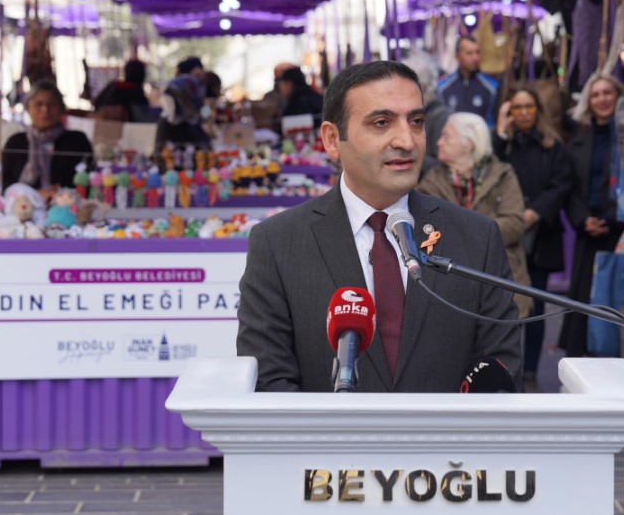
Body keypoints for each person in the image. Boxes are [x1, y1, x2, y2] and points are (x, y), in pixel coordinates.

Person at [236, 61, 522, 392]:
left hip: (445, 442)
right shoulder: (278, 243)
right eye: (381, 123)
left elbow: (500, 373)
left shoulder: (477, 238)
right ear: (332, 140)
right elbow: (270, 380)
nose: (407, 140)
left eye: (416, 122)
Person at [493, 83, 573, 389]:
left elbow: (561, 183)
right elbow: (490, 165)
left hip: (541, 234)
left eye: (528, 107)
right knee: (505, 303)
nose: (523, 113)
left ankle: (530, 375)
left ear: (537, 110)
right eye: (517, 107)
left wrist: (535, 212)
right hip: (509, 236)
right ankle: (505, 370)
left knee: (536, 306)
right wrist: (501, 129)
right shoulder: (504, 144)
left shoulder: (553, 145)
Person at [418, 112, 533, 323]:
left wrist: (464, 233)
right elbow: (428, 229)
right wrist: (482, 232)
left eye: (447, 137)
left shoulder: (502, 175)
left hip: (501, 282)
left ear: (469, 144)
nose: (438, 142)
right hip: (448, 288)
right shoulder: (431, 181)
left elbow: (515, 224)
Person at [559, 75, 624, 358]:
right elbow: (568, 188)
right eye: (596, 94)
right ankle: (577, 365)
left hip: (620, 231)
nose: (602, 99)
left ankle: (613, 359)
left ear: (618, 97)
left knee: (614, 298)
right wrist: (583, 219)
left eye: (607, 92)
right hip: (587, 230)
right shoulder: (578, 142)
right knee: (582, 299)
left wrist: (610, 219)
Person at [2, 79, 94, 195]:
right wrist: (35, 194)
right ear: (28, 109)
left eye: (51, 104)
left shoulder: (77, 141)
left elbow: (90, 177)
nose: (45, 110)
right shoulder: (15, 142)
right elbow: (3, 182)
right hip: (22, 208)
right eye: (38, 104)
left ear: (61, 108)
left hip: (67, 207)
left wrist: (60, 193)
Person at [401, 53, 450, 174]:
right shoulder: (406, 113)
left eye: (403, 85)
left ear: (421, 87)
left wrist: (405, 155)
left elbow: (442, 165)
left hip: (427, 188)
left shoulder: (440, 116)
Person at [437, 36, 499, 128]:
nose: (475, 58)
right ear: (457, 56)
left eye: (477, 52)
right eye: (469, 53)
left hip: (482, 141)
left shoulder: (492, 87)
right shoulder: (442, 87)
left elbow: (495, 122)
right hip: (452, 141)